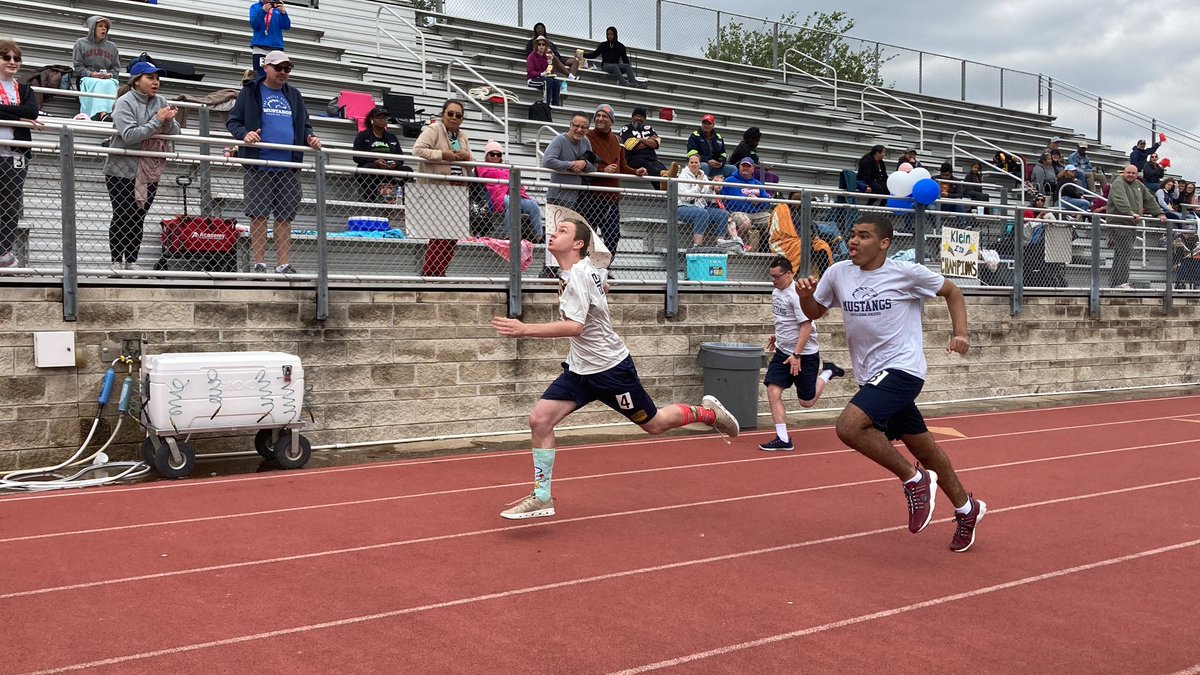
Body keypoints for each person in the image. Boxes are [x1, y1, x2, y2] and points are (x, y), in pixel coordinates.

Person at [491, 217, 738, 519]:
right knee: (540, 420)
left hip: (611, 370)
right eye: (554, 230)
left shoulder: (580, 276)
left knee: (654, 424)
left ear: (579, 244)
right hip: (580, 370)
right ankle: (542, 496)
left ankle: (709, 413)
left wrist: (524, 330)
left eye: (563, 231)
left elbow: (575, 327)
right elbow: (603, 284)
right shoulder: (580, 271)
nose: (553, 233)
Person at [793, 212, 986, 552]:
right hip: (871, 376)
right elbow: (814, 312)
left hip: (903, 370)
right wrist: (805, 294)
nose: (854, 241)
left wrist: (961, 334)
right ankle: (967, 509)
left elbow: (952, 291)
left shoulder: (905, 273)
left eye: (864, 236)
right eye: (852, 234)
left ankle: (915, 480)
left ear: (884, 244)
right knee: (925, 449)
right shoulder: (838, 273)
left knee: (849, 426)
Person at [227, 50, 321, 274]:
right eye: (279, 68)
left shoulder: (294, 94)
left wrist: (310, 137)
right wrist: (245, 135)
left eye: (287, 69)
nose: (283, 73)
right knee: (258, 214)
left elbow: (304, 124)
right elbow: (233, 121)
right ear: (266, 68)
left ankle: (283, 263)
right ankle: (259, 263)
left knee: (285, 216)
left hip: (288, 166)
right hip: (258, 164)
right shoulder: (250, 91)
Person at [759, 256, 843, 451]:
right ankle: (783, 439)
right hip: (783, 352)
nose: (774, 280)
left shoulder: (797, 296)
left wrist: (796, 355)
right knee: (773, 391)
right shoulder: (776, 292)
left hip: (804, 355)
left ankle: (828, 372)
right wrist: (777, 336)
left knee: (806, 402)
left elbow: (806, 327)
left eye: (777, 276)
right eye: (771, 276)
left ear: (790, 274)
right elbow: (784, 320)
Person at [104, 61, 180, 271]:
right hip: (121, 170)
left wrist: (169, 121)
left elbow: (175, 133)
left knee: (139, 216)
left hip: (149, 171)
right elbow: (129, 135)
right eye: (150, 78)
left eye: (157, 78)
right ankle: (116, 260)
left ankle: (132, 261)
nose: (155, 82)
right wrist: (157, 121)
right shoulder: (124, 102)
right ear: (136, 81)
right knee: (123, 213)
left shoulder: (161, 101)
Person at [412, 99, 474, 275]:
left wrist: (466, 157)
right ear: (443, 114)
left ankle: (441, 272)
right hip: (438, 187)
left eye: (458, 115)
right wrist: (443, 155)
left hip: (458, 187)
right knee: (439, 233)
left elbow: (471, 164)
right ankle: (429, 273)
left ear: (462, 119)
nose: (454, 118)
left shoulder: (462, 136)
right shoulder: (434, 130)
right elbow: (417, 150)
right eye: (450, 114)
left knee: (453, 235)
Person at [583, 103, 644, 261]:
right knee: (589, 237)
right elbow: (583, 164)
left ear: (612, 121)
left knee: (613, 236)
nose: (600, 118)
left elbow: (622, 167)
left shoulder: (617, 139)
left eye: (604, 116)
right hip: (591, 198)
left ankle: (603, 269)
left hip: (612, 199)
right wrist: (603, 170)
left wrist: (635, 171)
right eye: (598, 115)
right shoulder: (586, 137)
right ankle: (588, 269)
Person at [0, 39, 38, 269]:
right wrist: (18, 118)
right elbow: (24, 114)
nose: (13, 62)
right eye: (7, 57)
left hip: (15, 155)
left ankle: (3, 252)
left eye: (17, 58)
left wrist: (6, 113)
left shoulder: (24, 89)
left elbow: (32, 110)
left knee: (10, 206)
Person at [1106, 164, 1167, 289]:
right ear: (1123, 172)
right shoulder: (1118, 183)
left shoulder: (1139, 185)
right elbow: (1120, 200)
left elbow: (1149, 200)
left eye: (1133, 173)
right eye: (1128, 172)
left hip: (1131, 223)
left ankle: (1117, 283)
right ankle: (1121, 282)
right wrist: (1130, 213)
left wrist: (1159, 213)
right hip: (1119, 222)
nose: (1130, 175)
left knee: (1121, 253)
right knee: (1124, 252)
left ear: (1137, 174)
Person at [475, 140, 544, 242]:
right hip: (495, 196)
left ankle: (539, 237)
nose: (495, 157)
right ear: (486, 155)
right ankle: (508, 235)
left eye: (498, 154)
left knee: (533, 205)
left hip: (513, 195)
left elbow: (517, 182)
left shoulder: (507, 168)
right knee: (512, 202)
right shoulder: (482, 166)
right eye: (492, 154)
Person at [351, 106, 410, 203]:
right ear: (372, 120)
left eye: (384, 118)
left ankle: (404, 202)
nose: (383, 120)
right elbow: (356, 156)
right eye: (379, 117)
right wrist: (375, 161)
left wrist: (395, 163)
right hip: (372, 168)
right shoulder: (362, 135)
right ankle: (372, 201)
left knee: (407, 170)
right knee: (371, 168)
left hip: (390, 169)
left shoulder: (392, 137)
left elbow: (400, 157)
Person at [678, 153, 735, 248]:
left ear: (700, 164)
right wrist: (699, 187)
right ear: (688, 164)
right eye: (691, 162)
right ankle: (697, 245)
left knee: (723, 214)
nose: (694, 164)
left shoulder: (703, 176)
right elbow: (685, 197)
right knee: (702, 213)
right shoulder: (682, 176)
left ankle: (720, 243)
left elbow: (708, 199)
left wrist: (711, 188)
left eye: (696, 162)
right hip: (682, 208)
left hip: (701, 207)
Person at [541, 110, 594, 211]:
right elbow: (547, 161)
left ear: (587, 129)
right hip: (558, 196)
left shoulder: (586, 141)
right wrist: (571, 165)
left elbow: (593, 166)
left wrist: (584, 163)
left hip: (580, 198)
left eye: (583, 127)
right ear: (570, 125)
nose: (579, 130)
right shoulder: (559, 140)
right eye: (576, 126)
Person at [72, 16, 121, 120]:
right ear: (92, 27)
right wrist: (92, 74)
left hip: (106, 78)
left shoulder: (112, 47)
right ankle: (103, 114)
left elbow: (116, 68)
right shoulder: (80, 43)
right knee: (99, 83)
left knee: (110, 83)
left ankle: (112, 113)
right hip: (87, 78)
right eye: (100, 26)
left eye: (105, 27)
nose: (104, 29)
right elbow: (78, 66)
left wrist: (110, 75)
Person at [720, 157, 772, 251]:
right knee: (745, 223)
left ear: (753, 169)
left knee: (773, 220)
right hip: (737, 212)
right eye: (743, 166)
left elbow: (767, 203)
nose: (745, 168)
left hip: (755, 214)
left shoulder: (757, 184)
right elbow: (720, 197)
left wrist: (758, 201)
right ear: (739, 167)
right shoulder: (729, 180)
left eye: (748, 166)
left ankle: (769, 248)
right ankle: (739, 245)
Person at [618, 107, 677, 184]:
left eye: (641, 117)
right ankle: (662, 176)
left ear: (644, 119)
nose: (639, 118)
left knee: (660, 167)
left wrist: (640, 140)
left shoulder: (649, 128)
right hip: (634, 158)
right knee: (648, 165)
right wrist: (649, 141)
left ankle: (663, 184)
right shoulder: (626, 128)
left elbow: (656, 143)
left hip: (651, 158)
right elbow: (629, 145)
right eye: (637, 116)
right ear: (632, 118)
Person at [249, 0, 291, 76]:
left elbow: (286, 26)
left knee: (276, 74)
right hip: (260, 47)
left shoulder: (277, 8)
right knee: (260, 75)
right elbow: (254, 25)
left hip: (276, 48)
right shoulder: (255, 7)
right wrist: (262, 12)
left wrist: (284, 13)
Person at [686, 114, 733, 178]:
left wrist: (721, 162)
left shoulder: (718, 137)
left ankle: (728, 188)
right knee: (704, 165)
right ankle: (705, 186)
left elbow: (723, 154)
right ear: (701, 124)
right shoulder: (695, 136)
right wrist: (708, 161)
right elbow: (692, 154)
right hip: (702, 164)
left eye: (709, 123)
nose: (706, 125)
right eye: (704, 123)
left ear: (713, 125)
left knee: (732, 169)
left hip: (716, 167)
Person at [525, 36, 561, 107]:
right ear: (536, 46)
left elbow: (550, 71)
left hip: (543, 78)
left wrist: (550, 62)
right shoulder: (531, 56)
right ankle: (546, 104)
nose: (541, 46)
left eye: (543, 44)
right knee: (547, 82)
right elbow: (530, 72)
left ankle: (556, 105)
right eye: (539, 44)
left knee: (556, 82)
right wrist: (541, 74)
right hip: (533, 79)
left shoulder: (546, 56)